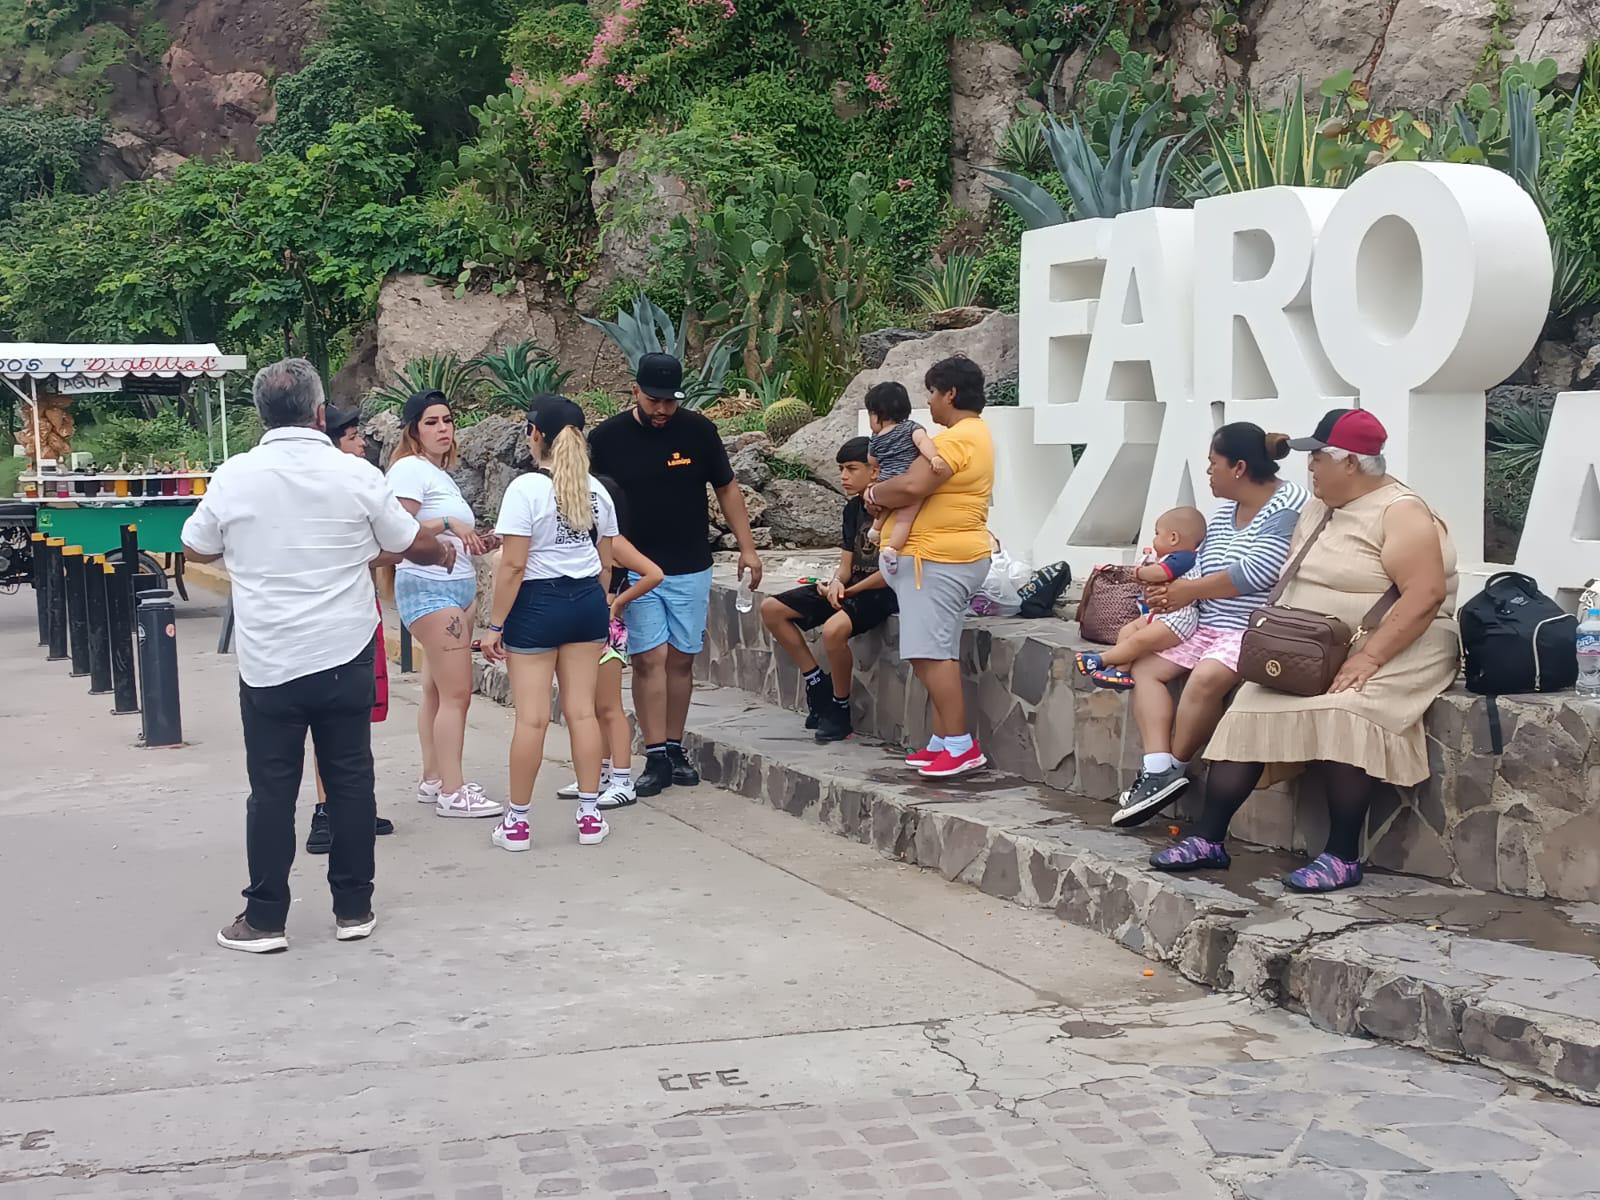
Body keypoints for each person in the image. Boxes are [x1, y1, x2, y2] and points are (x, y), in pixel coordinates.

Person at [182, 358, 453, 953]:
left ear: (261, 414)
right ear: (320, 412)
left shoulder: (234, 476)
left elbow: (194, 547)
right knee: (351, 779)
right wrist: (441, 552)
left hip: (269, 662)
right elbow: (408, 542)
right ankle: (354, 909)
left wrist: (246, 550)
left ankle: (265, 919)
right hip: (343, 652)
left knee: (271, 789)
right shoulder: (353, 473)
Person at [1151, 409, 1457, 893]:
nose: (1309, 466)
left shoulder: (1400, 512)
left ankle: (1342, 855)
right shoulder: (1319, 506)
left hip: (1395, 642)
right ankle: (1209, 838)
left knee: (1346, 710)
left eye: (1318, 457)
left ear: (1350, 463)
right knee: (1249, 707)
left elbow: (1424, 595)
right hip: (1312, 643)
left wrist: (1369, 657)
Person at [1109, 424, 1309, 829]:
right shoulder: (1222, 515)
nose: (1208, 472)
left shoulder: (1287, 505)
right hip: (1206, 622)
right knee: (1146, 668)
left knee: (1206, 677)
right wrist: (1168, 595)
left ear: (1238, 467)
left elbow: (1258, 572)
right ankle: (1157, 766)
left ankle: (1175, 767)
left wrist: (1187, 591)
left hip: (1249, 628)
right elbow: (1198, 567)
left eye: (1212, 463)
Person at [588, 352, 763, 797]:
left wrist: (747, 548)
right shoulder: (607, 438)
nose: (663, 409)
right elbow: (592, 504)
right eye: (654, 400)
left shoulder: (699, 431)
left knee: (682, 659)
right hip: (635, 567)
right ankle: (655, 754)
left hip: (691, 564)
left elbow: (726, 487)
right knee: (649, 658)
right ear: (635, 391)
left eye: (671, 401)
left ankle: (673, 745)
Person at [481, 394, 618, 850]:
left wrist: (495, 625)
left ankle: (517, 822)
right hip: (586, 602)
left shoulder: (525, 489)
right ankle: (590, 815)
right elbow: (606, 564)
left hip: (538, 604)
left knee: (533, 719)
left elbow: (513, 565)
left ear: (535, 434)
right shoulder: (597, 491)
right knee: (582, 712)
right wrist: (595, 607)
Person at [862, 355, 994, 779]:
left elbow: (913, 484)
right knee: (932, 654)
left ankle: (960, 746)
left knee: (930, 654)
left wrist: (873, 494)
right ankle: (943, 739)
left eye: (933, 393)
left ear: (950, 393)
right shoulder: (967, 436)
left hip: (938, 561)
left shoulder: (958, 438)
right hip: (935, 561)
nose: (930, 402)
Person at [387, 390, 500, 820]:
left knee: (437, 690)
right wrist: (449, 522)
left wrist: (479, 539)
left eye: (448, 420)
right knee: (458, 694)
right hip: (430, 588)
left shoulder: (439, 474)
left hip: (456, 588)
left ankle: (434, 778)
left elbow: (445, 531)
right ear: (413, 429)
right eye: (431, 422)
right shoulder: (409, 469)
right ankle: (454, 791)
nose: (443, 429)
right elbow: (398, 531)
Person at [760, 436, 897, 743]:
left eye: (851, 468)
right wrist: (835, 583)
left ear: (874, 471)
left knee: (834, 630)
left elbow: (890, 573)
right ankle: (816, 682)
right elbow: (846, 565)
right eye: (841, 469)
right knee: (772, 609)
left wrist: (850, 592)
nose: (843, 476)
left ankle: (839, 707)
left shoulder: (893, 508)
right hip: (851, 588)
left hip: (882, 592)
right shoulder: (852, 509)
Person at [306, 407, 395, 854]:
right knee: (329, 717)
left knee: (357, 715)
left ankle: (353, 803)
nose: (362, 444)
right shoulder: (326, 490)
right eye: (353, 437)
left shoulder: (358, 486)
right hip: (328, 617)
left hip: (359, 611)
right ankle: (326, 808)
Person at [554, 474, 665, 809]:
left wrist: (618, 602)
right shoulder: (583, 537)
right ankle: (600, 773)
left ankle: (622, 779)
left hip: (607, 630)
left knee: (609, 706)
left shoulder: (614, 541)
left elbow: (654, 573)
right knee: (589, 707)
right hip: (584, 626)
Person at [1074, 506, 1207, 690]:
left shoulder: (1184, 558)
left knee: (1139, 640)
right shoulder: (1171, 557)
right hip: (1161, 615)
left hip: (1178, 619)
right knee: (1128, 630)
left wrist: (1139, 572)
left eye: (1157, 533)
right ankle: (1121, 671)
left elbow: (1161, 573)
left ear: (1173, 538)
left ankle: (1101, 660)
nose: (1154, 539)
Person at [863, 382, 944, 577]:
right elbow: (923, 442)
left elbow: (872, 460)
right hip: (904, 481)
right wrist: (934, 458)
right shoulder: (910, 428)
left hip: (884, 481)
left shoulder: (875, 438)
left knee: (885, 506)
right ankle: (892, 549)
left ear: (878, 413)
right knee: (905, 519)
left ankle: (875, 529)